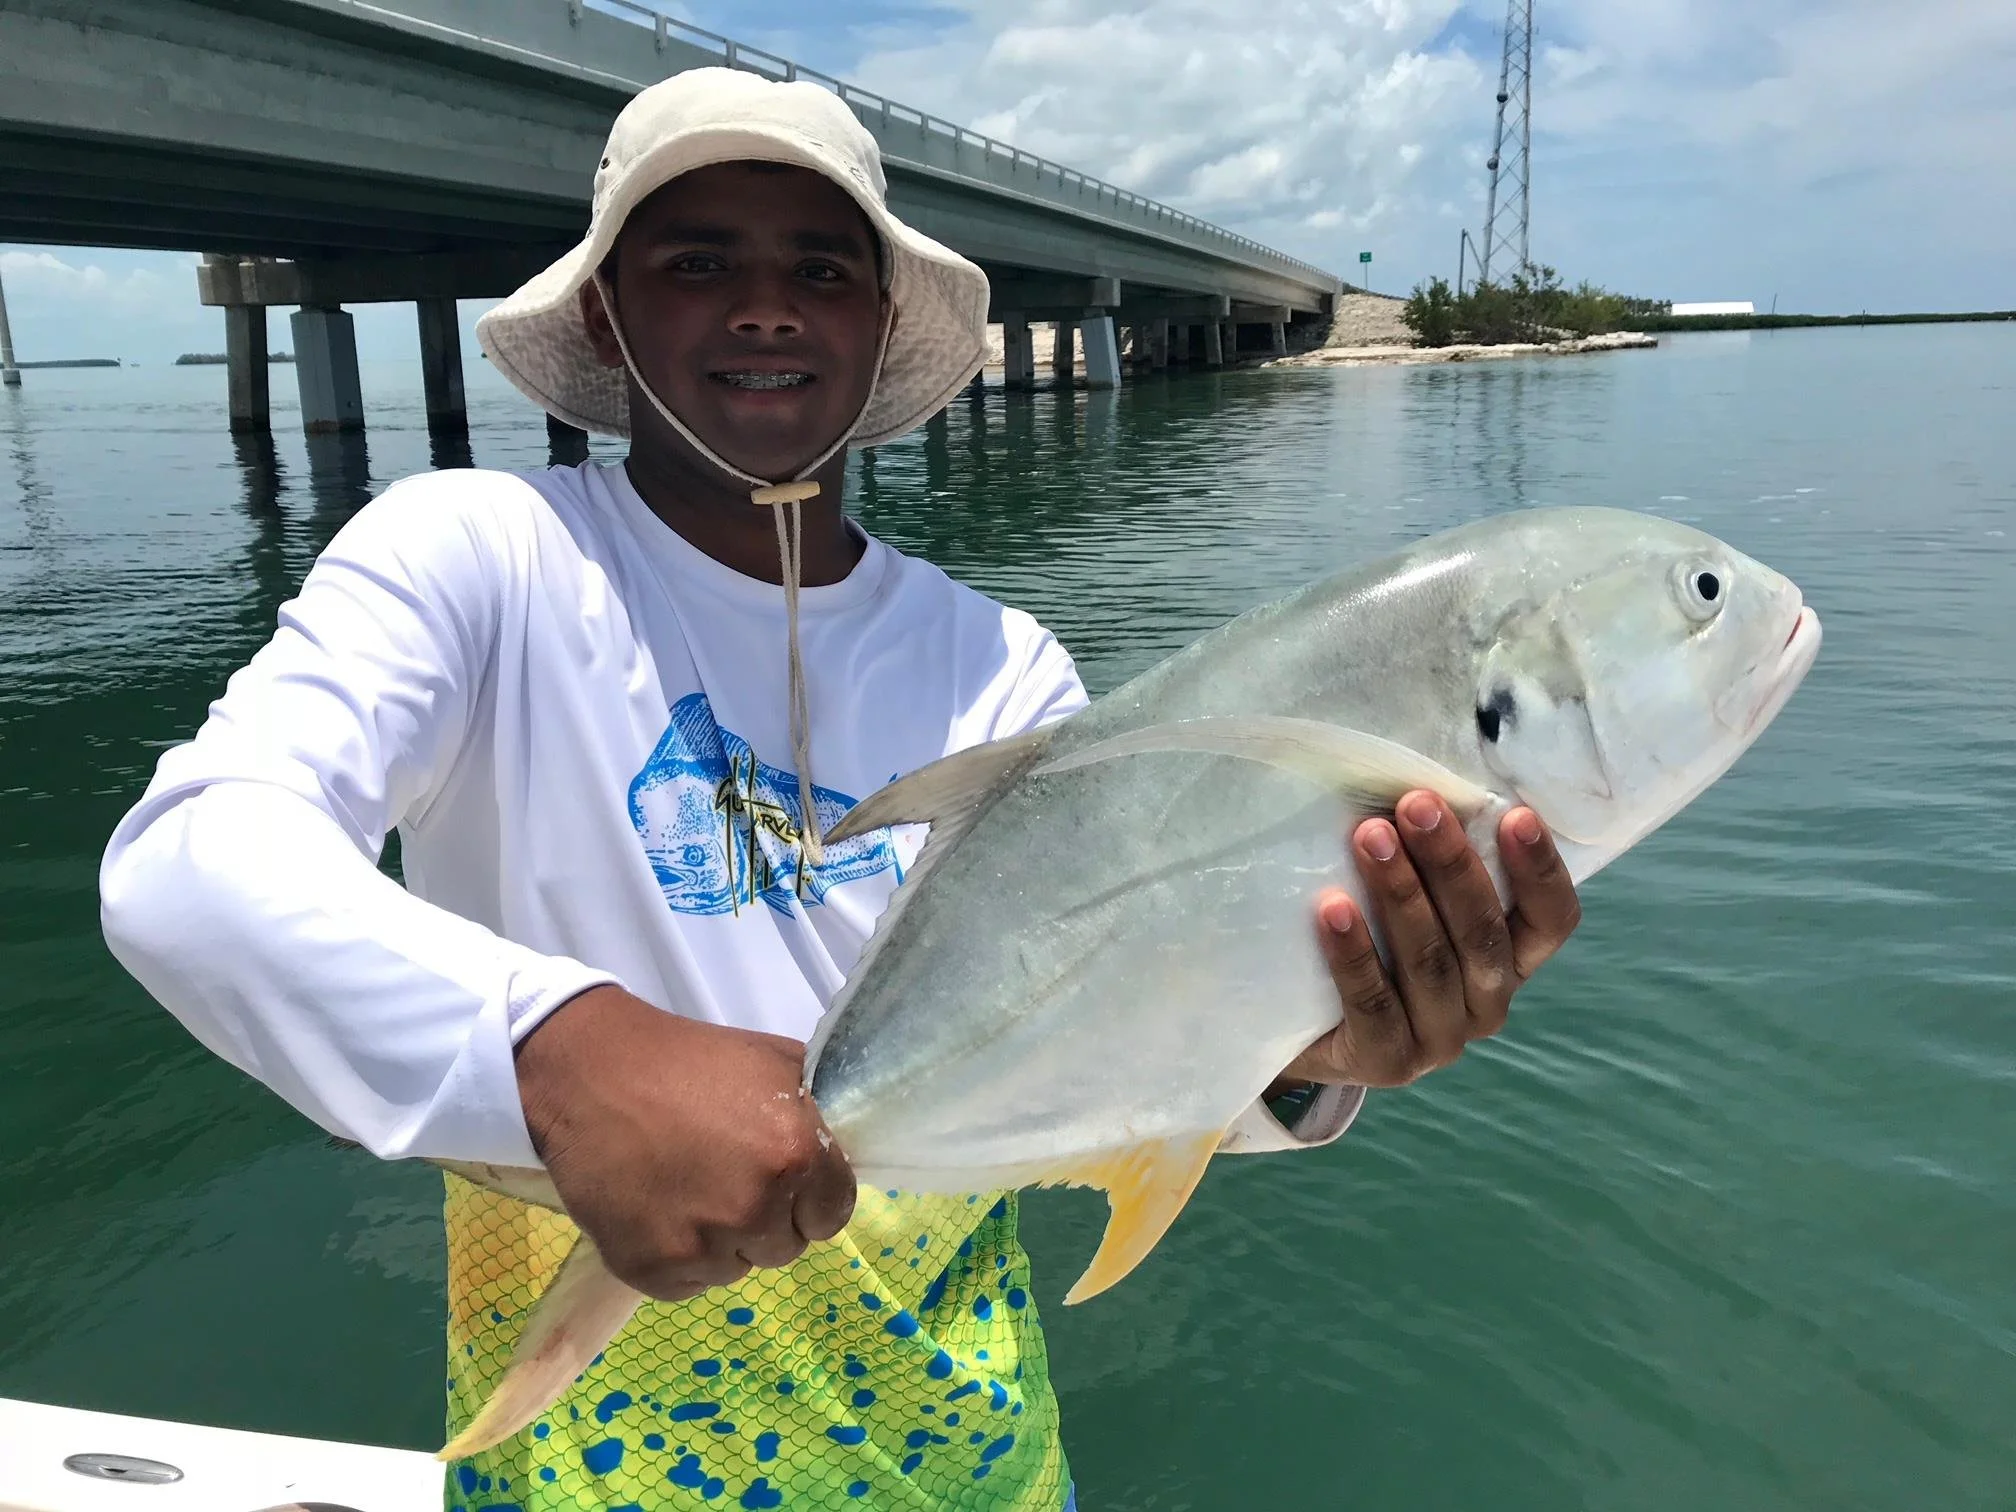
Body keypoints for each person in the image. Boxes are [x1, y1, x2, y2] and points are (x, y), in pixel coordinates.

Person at [98, 68, 1581, 1512]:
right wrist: (554, 1048)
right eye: (697, 261)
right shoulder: (478, 561)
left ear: (881, 329)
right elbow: (190, 861)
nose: (764, 304)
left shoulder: (997, 665)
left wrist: (1314, 1056)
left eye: (821, 266)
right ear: (608, 313)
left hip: (973, 1460)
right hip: (591, 1475)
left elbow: (1120, 1037)